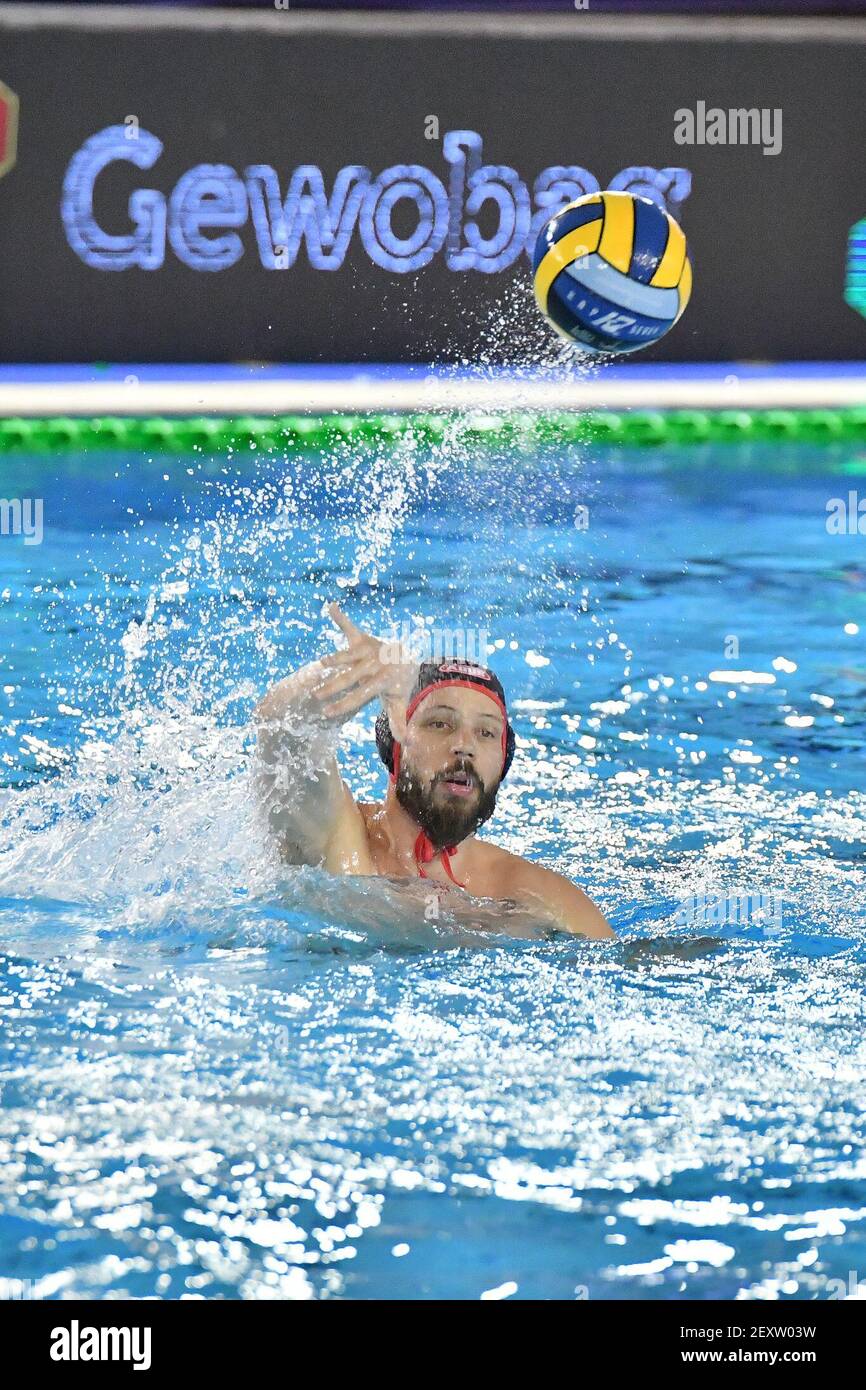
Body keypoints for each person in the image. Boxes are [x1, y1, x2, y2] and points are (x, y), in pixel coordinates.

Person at [254, 602, 615, 940]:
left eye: (486, 732)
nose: (464, 744)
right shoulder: (338, 836)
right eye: (440, 723)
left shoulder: (532, 895)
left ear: (504, 761)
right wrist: (350, 674)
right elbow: (281, 731)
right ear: (395, 746)